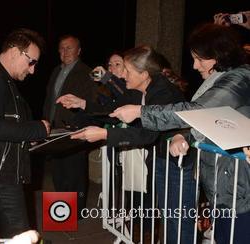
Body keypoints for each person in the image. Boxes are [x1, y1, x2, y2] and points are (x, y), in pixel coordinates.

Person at [110, 23, 250, 243]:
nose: (194, 66)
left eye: (200, 59)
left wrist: (140, 112)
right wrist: (183, 135)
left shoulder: (238, 79)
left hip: (239, 190)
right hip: (225, 187)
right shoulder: (222, 80)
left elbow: (199, 112)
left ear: (220, 55)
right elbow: (213, 122)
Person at [57, 45, 185, 242]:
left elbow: (147, 135)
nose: (122, 75)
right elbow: (114, 109)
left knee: (170, 216)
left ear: (144, 74)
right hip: (155, 158)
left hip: (172, 163)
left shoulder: (163, 92)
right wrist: (82, 104)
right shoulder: (138, 89)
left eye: (127, 70)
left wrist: (104, 134)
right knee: (143, 205)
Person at [0, 28, 51, 237]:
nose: (32, 70)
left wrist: (27, 139)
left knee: (10, 234)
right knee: (21, 235)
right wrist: (37, 129)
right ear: (15, 52)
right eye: (31, 62)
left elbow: (0, 126)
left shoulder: (1, 80)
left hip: (0, 171)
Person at [43, 35, 97, 215]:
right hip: (54, 129)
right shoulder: (55, 71)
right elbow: (49, 100)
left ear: (79, 51)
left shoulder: (86, 73)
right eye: (61, 48)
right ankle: (62, 212)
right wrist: (45, 122)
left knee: (74, 172)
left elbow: (92, 103)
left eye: (69, 48)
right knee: (58, 172)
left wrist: (78, 126)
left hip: (74, 130)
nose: (64, 52)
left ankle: (77, 213)